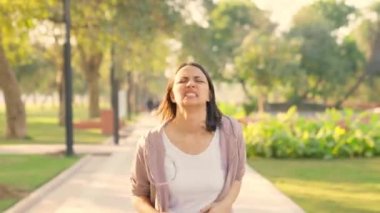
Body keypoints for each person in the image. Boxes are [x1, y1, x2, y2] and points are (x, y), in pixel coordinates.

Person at [130, 62, 246, 213]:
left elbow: (237, 177)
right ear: (172, 95)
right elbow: (138, 195)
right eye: (183, 80)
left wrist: (224, 206)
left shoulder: (231, 132)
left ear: (209, 94)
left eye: (198, 80)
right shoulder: (150, 143)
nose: (190, 84)